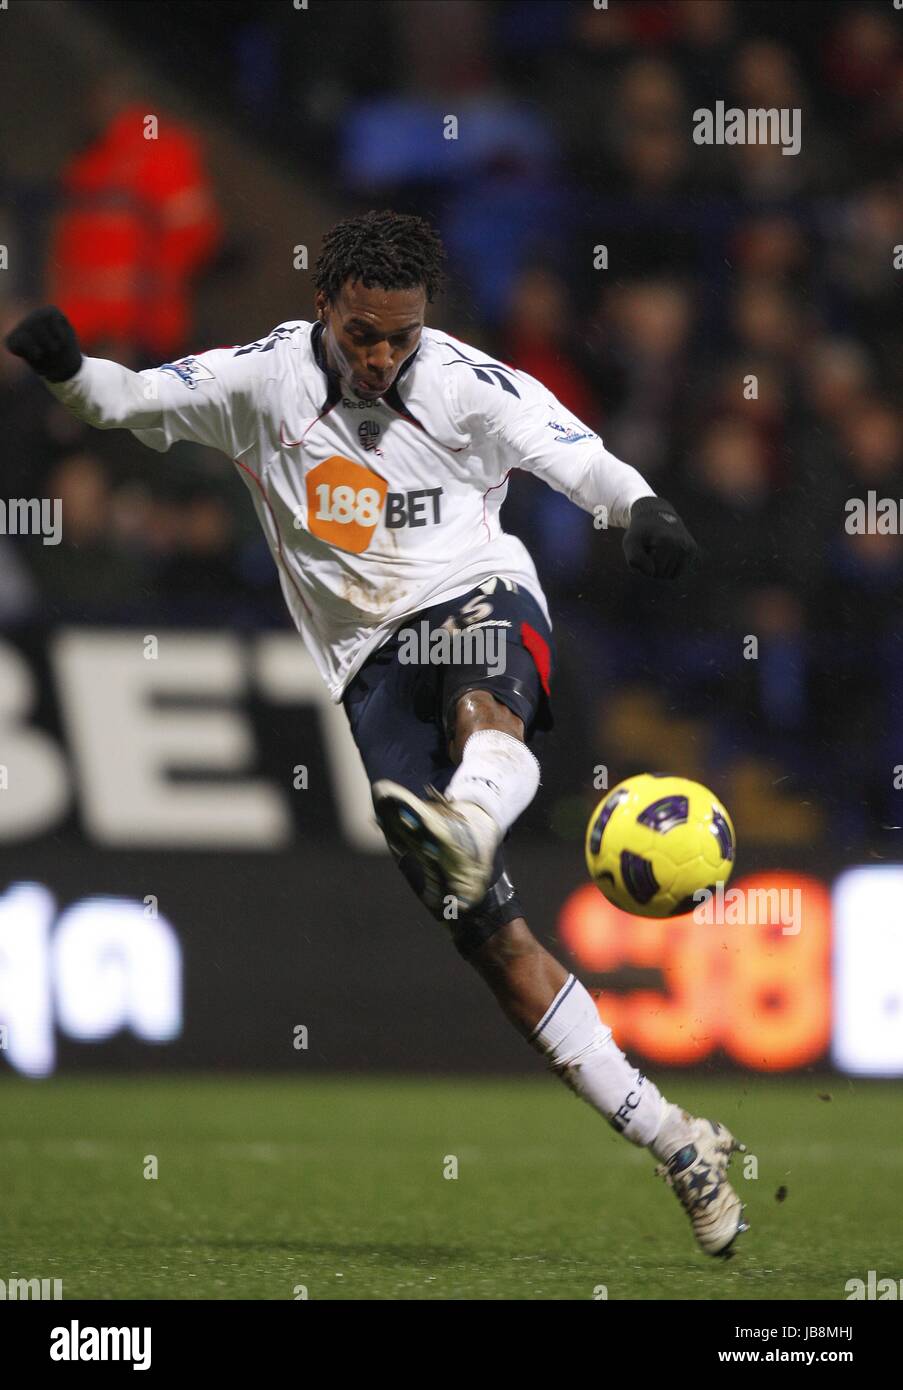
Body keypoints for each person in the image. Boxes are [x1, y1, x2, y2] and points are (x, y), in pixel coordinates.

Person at [5, 209, 747, 1257]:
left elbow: (569, 450)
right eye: (364, 334)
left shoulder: (460, 380)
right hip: (366, 666)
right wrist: (70, 371)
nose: (383, 357)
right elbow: (131, 401)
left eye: (400, 335)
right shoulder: (261, 384)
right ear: (325, 307)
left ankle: (471, 817)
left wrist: (641, 510)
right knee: (494, 945)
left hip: (474, 592)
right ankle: (676, 1139)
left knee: (483, 698)